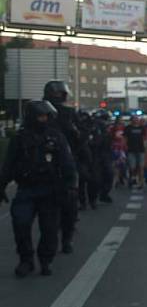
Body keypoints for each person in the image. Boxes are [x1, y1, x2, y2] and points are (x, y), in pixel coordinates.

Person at [0, 101, 76, 277]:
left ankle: (45, 260)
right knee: (20, 223)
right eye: (41, 116)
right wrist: (2, 185)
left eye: (46, 116)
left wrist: (70, 184)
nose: (44, 119)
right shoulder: (19, 138)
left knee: (49, 229)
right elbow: (9, 164)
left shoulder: (56, 137)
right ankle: (26, 260)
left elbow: (67, 162)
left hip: (50, 190)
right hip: (26, 189)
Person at [44, 80, 85, 254]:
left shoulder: (68, 114)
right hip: (51, 165)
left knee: (69, 204)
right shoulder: (44, 111)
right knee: (62, 204)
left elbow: (80, 138)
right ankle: (61, 238)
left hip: (63, 163)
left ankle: (66, 237)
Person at [124, 115, 147, 189]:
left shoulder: (142, 128)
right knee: (132, 167)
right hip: (131, 149)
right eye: (134, 119)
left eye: (137, 119)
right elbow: (125, 138)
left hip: (141, 150)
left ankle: (141, 183)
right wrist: (125, 146)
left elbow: (145, 138)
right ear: (131, 120)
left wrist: (146, 147)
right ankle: (132, 179)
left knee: (141, 167)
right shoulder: (128, 128)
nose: (136, 120)